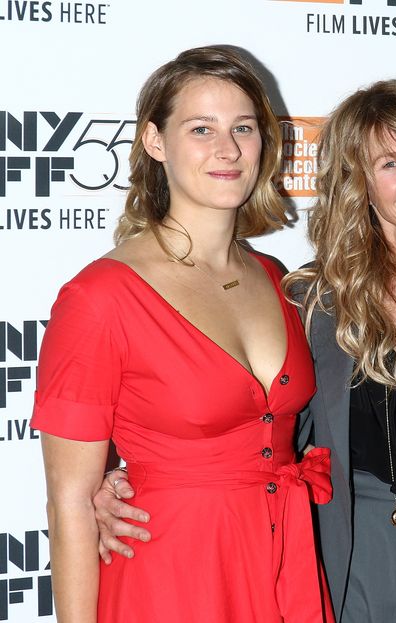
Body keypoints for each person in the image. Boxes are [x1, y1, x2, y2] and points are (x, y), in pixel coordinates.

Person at [94, 79, 396, 622]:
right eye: (389, 163)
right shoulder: (310, 303)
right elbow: (263, 441)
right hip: (346, 585)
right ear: (359, 183)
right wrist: (126, 484)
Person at [33, 46, 332, 622]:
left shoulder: (276, 279)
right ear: (154, 142)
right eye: (201, 128)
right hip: (171, 579)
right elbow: (70, 503)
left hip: (283, 567)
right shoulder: (100, 298)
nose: (228, 149)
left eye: (244, 128)